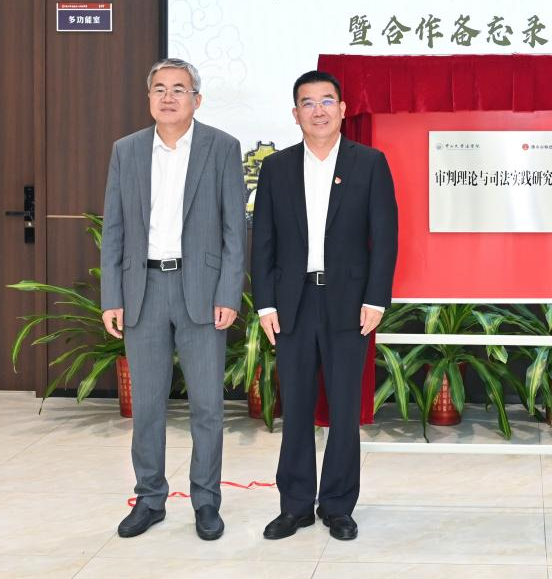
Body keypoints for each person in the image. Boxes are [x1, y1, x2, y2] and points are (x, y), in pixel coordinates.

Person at [100, 57, 246, 541]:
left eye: (179, 89)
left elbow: (234, 229)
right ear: (149, 98)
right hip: (142, 291)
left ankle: (206, 501)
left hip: (201, 292)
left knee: (207, 406)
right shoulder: (126, 150)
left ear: (196, 99)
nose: (168, 97)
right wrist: (112, 296)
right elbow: (114, 229)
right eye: (159, 89)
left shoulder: (221, 148)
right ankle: (149, 498)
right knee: (146, 406)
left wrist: (229, 292)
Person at [252, 70, 398, 542]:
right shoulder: (277, 168)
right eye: (308, 103)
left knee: (344, 409)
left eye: (327, 101)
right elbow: (263, 239)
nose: (318, 110)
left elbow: (385, 237)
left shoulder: (369, 163)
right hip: (292, 304)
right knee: (295, 408)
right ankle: (295, 506)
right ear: (295, 114)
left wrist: (376, 298)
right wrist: (265, 304)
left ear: (343, 109)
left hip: (349, 305)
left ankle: (337, 506)